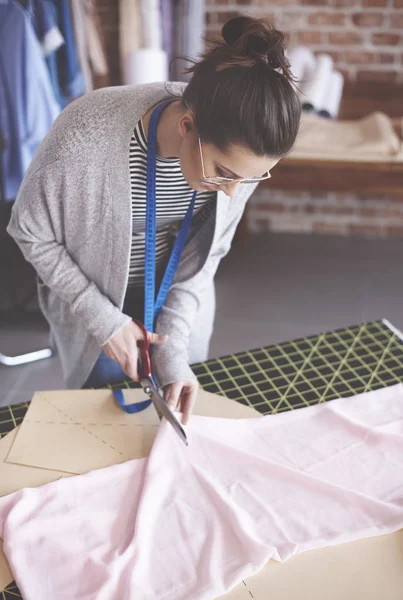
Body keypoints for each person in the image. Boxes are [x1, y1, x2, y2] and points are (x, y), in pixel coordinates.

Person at [7, 15, 301, 425]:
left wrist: (174, 349)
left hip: (174, 294)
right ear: (186, 126)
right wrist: (103, 320)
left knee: (174, 403)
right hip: (93, 295)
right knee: (100, 420)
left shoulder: (241, 150)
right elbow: (30, 231)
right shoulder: (84, 135)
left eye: (250, 179)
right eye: (226, 175)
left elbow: (207, 257)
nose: (233, 193)